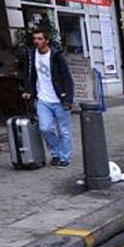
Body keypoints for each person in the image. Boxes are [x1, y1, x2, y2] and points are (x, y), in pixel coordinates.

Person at [22, 28, 74, 168]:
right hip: (43, 99)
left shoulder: (56, 55)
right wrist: (29, 90)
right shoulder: (32, 55)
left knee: (64, 130)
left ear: (46, 41)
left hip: (59, 99)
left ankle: (65, 157)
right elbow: (31, 75)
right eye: (34, 39)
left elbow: (67, 78)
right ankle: (56, 153)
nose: (36, 42)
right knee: (45, 128)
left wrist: (69, 99)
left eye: (39, 39)